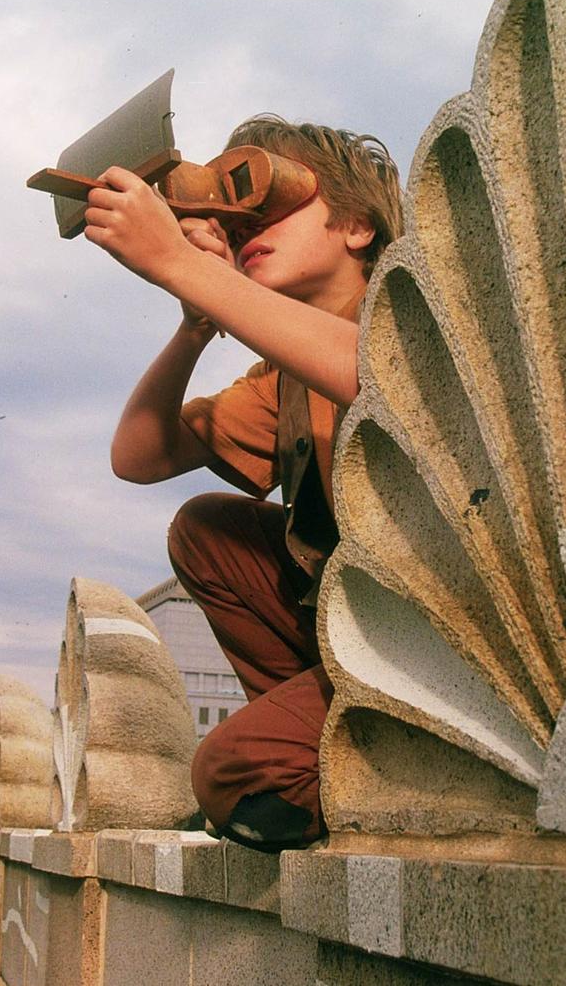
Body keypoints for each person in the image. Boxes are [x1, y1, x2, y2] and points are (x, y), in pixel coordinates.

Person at [82, 115, 403, 851]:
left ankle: (340, 759)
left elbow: (376, 372)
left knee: (230, 770)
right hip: (357, 650)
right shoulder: (284, 377)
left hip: (439, 641)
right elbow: (137, 456)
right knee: (207, 531)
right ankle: (327, 733)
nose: (246, 225)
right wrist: (196, 322)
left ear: (357, 227)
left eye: (274, 204)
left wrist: (185, 265)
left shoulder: (409, 314)